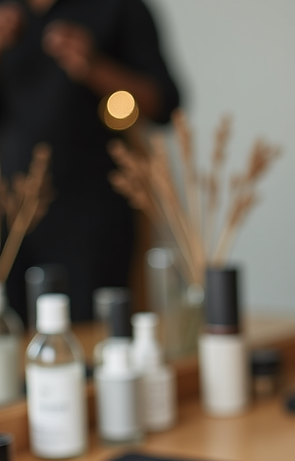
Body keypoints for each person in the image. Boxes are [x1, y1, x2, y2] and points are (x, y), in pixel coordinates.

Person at [0, 0, 180, 321]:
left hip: (91, 213)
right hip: (8, 212)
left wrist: (94, 67)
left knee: (93, 331)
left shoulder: (116, 8)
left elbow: (162, 104)